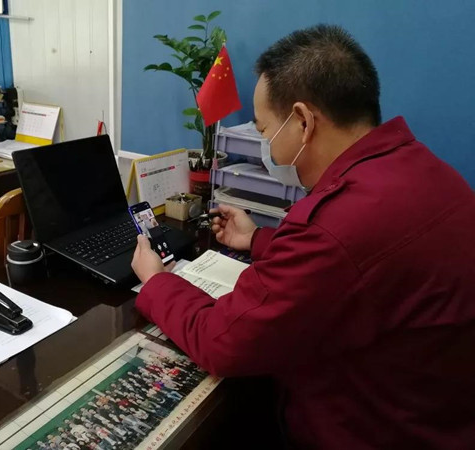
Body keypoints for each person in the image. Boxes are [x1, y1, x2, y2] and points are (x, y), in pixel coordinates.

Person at [131, 24, 475, 449]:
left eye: (263, 131)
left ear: (303, 121)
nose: (265, 146)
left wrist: (157, 281)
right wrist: (258, 241)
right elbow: (358, 268)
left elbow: (223, 341)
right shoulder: (423, 168)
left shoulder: (337, 224)